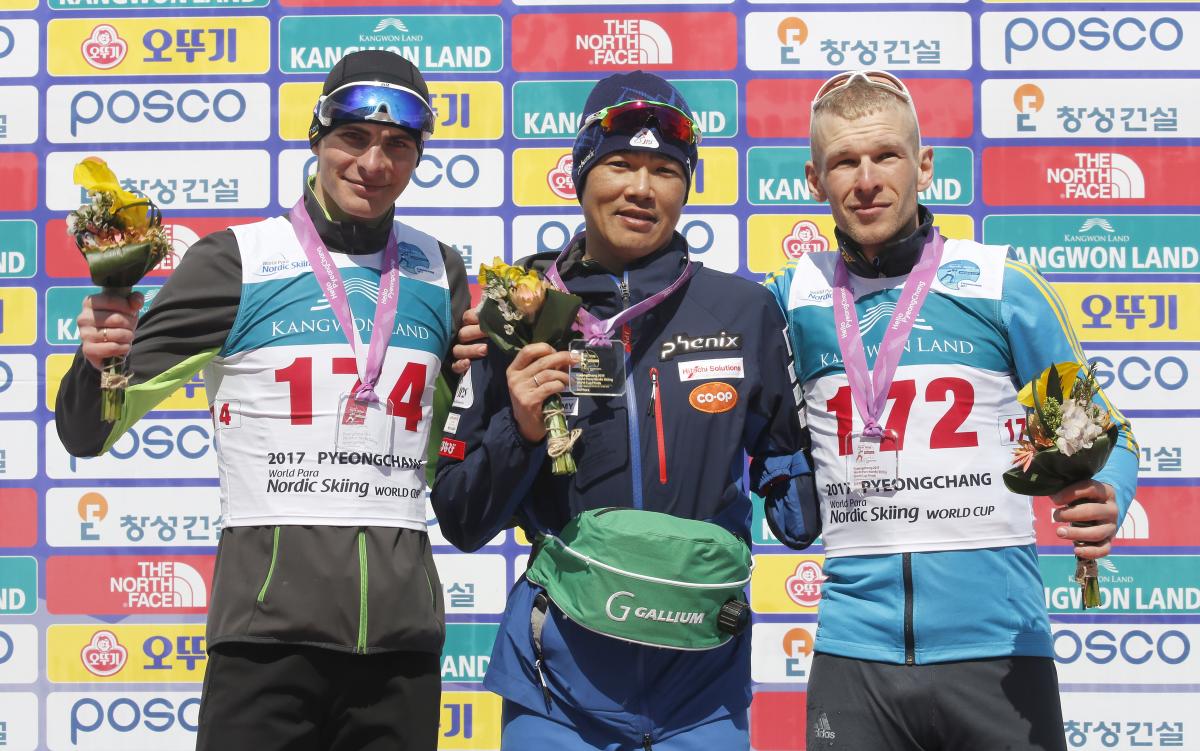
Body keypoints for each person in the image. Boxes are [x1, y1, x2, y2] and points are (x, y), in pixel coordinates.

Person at [55, 50, 471, 751]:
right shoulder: (237, 259)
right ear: (317, 139)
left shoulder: (440, 271)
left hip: (401, 647)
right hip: (267, 642)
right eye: (354, 138)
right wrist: (97, 362)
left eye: (398, 145)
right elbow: (87, 432)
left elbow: (450, 445)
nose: (374, 163)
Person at [432, 71, 818, 750]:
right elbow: (461, 516)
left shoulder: (742, 311)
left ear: (687, 187)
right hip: (559, 690)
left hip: (703, 688)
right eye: (619, 163)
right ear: (579, 174)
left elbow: (798, 506)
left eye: (666, 170)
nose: (641, 188)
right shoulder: (515, 307)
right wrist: (519, 431)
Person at [761, 70, 1139, 750]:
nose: (867, 179)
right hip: (855, 659)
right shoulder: (790, 298)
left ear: (924, 166)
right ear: (815, 182)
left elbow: (1105, 431)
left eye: (887, 156)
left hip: (999, 653)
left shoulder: (1001, 286)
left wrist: (1110, 488)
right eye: (844, 161)